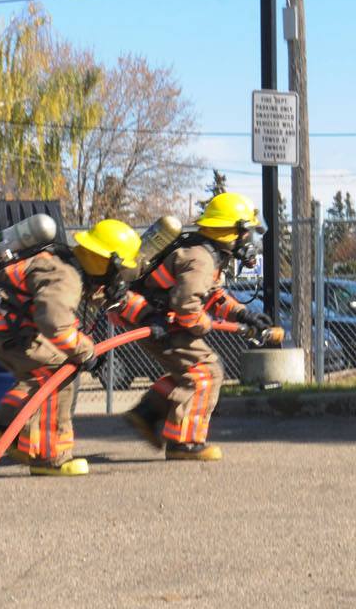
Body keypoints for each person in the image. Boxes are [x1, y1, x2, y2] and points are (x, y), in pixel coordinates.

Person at [0, 218, 140, 476]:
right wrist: (87, 352)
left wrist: (145, 311)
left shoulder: (66, 263)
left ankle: (8, 427)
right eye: (118, 270)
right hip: (2, 326)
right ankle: (50, 457)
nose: (117, 278)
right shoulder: (66, 276)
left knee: (42, 373)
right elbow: (55, 325)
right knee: (59, 371)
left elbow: (101, 297)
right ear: (104, 261)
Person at [117, 192, 273, 461]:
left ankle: (147, 413)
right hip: (151, 319)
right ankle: (184, 442)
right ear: (230, 231)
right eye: (245, 232)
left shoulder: (206, 252)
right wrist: (204, 325)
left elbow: (212, 295)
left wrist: (242, 314)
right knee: (205, 371)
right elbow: (186, 306)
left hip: (156, 317)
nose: (248, 240)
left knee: (189, 371)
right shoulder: (201, 259)